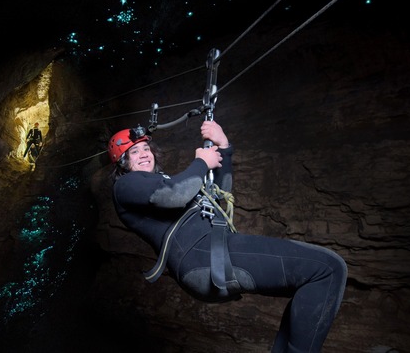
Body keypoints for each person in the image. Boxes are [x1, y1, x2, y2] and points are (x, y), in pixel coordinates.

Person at [108, 120, 347, 353]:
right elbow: (175, 195)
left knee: (311, 281)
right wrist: (201, 162)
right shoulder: (125, 186)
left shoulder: (161, 180)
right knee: (328, 269)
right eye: (133, 151)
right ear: (122, 162)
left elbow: (219, 195)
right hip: (202, 255)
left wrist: (224, 148)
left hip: (212, 251)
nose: (144, 154)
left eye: (146, 148)